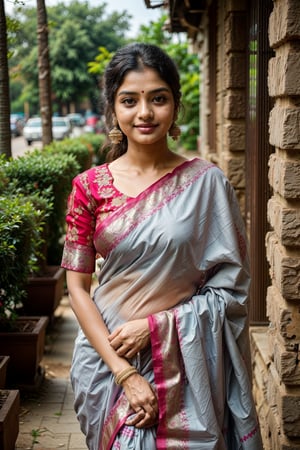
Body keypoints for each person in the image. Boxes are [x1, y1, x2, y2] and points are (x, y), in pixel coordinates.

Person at [61, 43, 263, 450]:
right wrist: (125, 373)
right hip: (107, 362)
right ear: (113, 110)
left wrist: (155, 328)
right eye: (129, 100)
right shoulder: (89, 187)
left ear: (175, 105)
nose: (145, 113)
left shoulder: (207, 184)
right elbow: (78, 288)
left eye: (158, 99)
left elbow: (232, 292)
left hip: (186, 368)